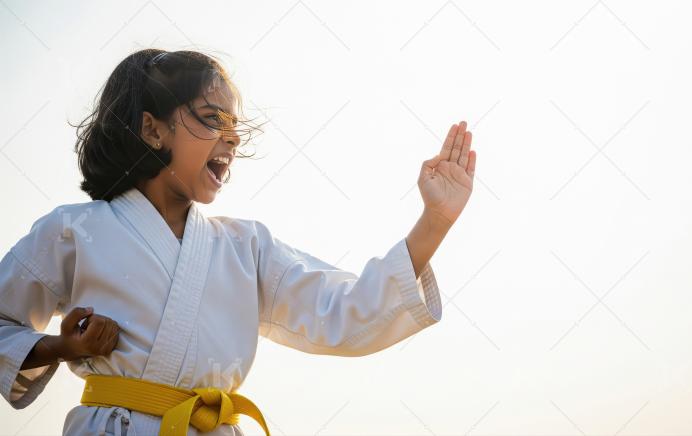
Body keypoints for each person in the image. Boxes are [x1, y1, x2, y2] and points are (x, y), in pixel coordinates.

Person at [0, 48, 477, 435]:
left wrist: (433, 221)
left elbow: (345, 310)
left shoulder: (245, 246)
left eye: (234, 127)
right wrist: (59, 349)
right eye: (212, 119)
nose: (230, 140)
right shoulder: (74, 230)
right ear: (152, 129)